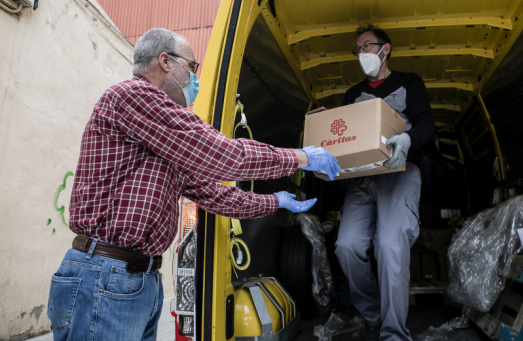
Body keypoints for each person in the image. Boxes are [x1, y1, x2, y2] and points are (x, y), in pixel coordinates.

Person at [46, 28, 340, 341]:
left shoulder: (160, 139)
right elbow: (221, 153)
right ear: (165, 62)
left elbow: (214, 195)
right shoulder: (133, 97)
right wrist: (300, 157)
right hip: (107, 275)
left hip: (134, 280)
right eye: (192, 66)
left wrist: (277, 202)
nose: (194, 78)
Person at [321, 24, 435, 341]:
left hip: (400, 171)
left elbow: (427, 123)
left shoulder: (409, 83)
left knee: (389, 244)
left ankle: (393, 333)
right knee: (347, 246)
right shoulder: (352, 95)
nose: (361, 54)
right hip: (363, 178)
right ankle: (373, 314)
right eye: (357, 49)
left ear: (385, 49)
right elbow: (343, 140)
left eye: (367, 46)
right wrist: (328, 162)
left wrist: (408, 141)